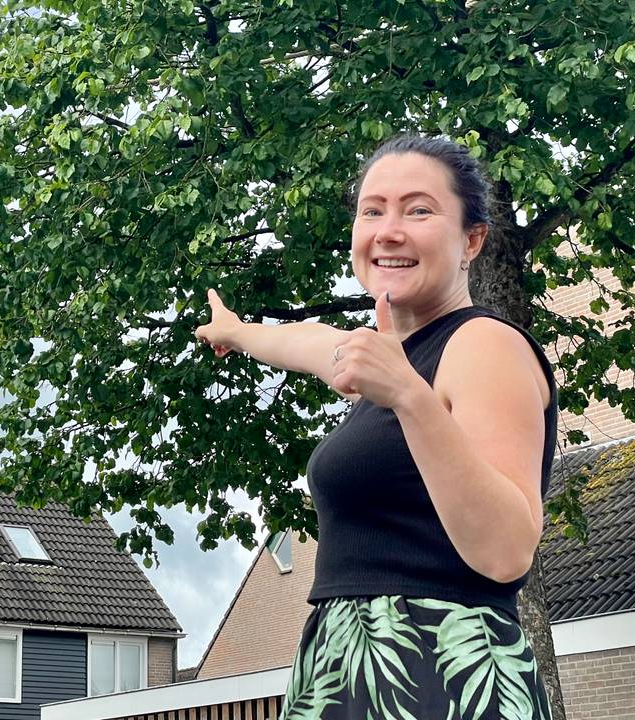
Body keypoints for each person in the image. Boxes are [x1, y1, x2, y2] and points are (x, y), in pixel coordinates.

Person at [194, 135, 557, 720]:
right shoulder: (390, 355)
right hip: (344, 663)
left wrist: (409, 395)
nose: (389, 230)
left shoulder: (483, 345)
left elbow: (508, 550)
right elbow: (308, 341)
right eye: (372, 210)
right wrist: (236, 333)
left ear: (472, 239)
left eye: (418, 210)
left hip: (442, 670)